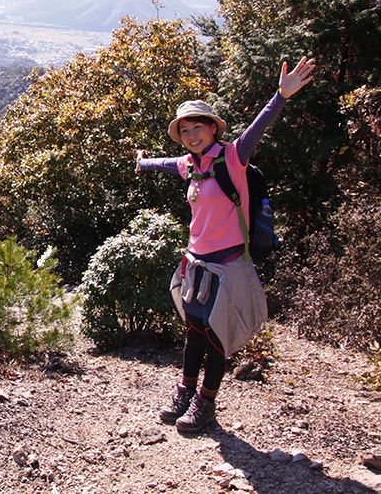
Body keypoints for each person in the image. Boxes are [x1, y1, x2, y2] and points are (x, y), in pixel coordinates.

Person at [135, 57, 316, 432]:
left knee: (216, 336)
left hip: (227, 264)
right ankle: (185, 391)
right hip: (196, 263)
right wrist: (143, 163)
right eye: (185, 130)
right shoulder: (190, 164)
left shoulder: (232, 157)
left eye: (197, 127)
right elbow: (169, 164)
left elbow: (258, 128)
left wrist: (281, 96)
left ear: (214, 129)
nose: (191, 135)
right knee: (194, 333)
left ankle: (207, 402)